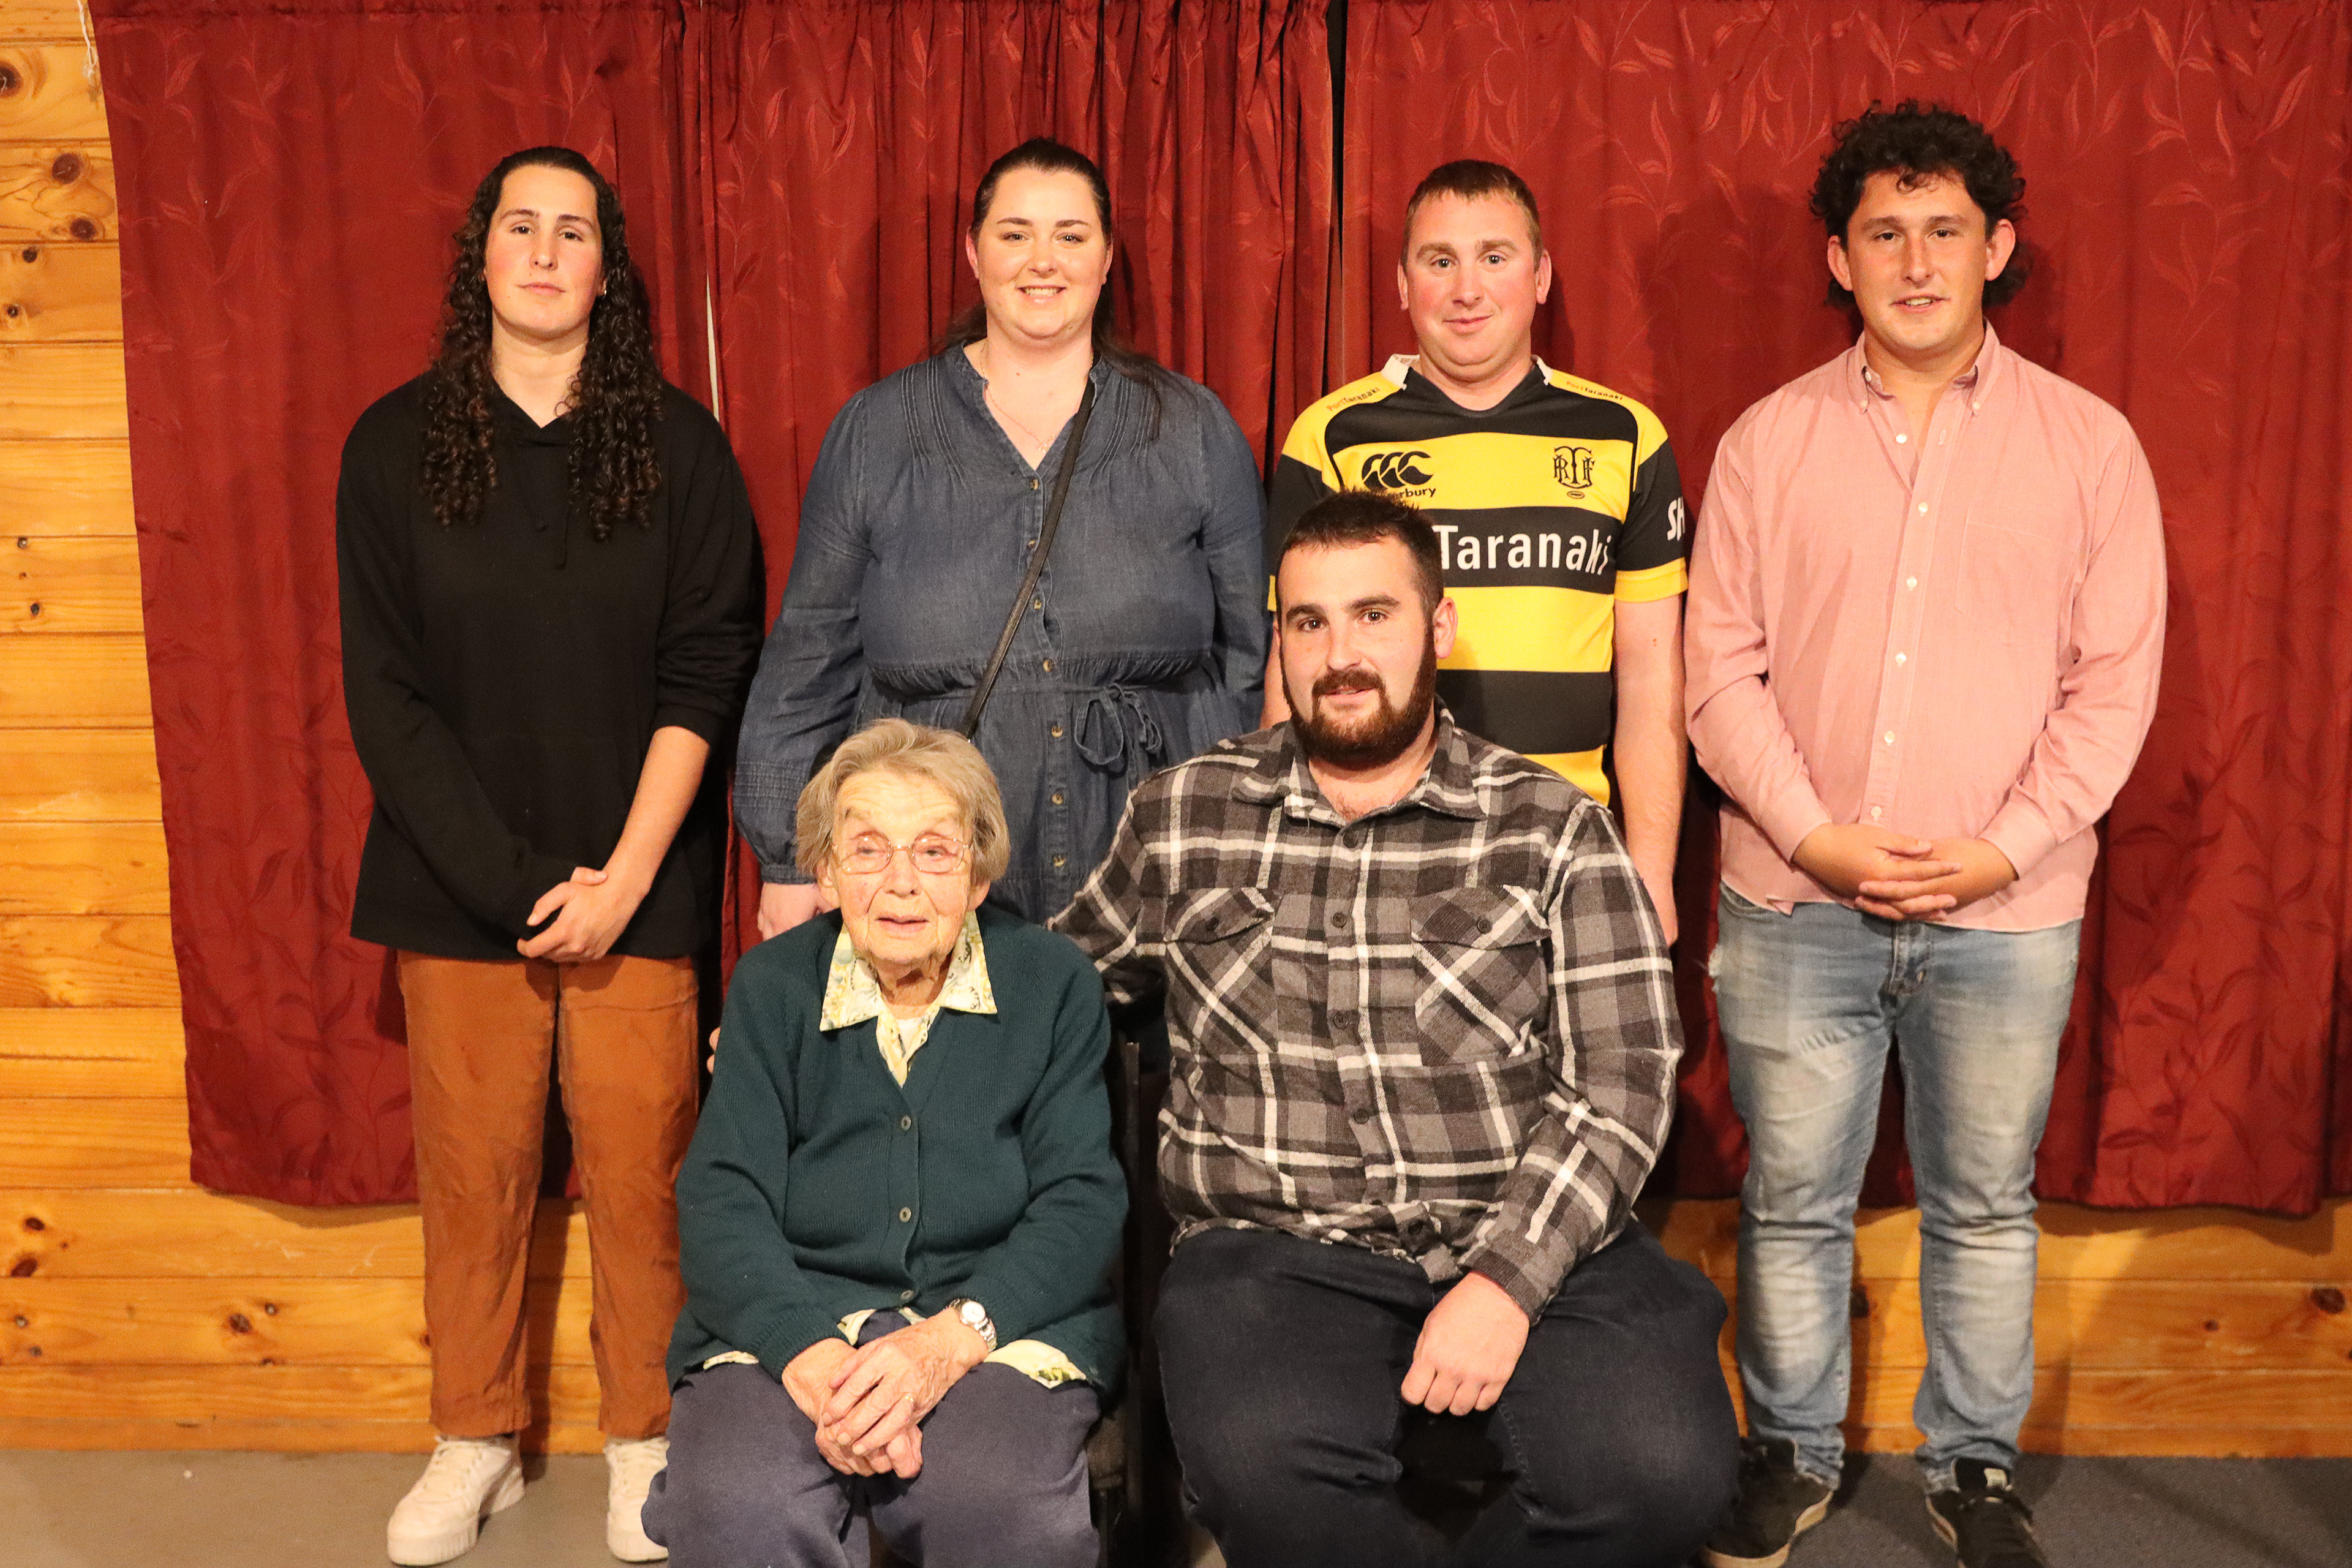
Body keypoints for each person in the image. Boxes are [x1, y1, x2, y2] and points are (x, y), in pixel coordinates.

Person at [1054, 492, 1736, 1568]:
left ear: (1439, 627)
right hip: (1273, 1251)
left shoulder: (1553, 827)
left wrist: (1507, 1279)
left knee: (1664, 1475)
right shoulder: (1184, 814)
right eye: (1309, 622)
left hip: (1525, 1230)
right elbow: (1052, 988)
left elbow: (1625, 1080)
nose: (1341, 656)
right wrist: (858, 982)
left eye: (1374, 615)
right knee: (1263, 1478)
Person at [1685, 103, 2165, 1568]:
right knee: (1790, 1201)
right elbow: (1717, 672)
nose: (1914, 261)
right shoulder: (1766, 442)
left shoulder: (2090, 447)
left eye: (1943, 230)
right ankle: (1790, 1448)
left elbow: (2113, 684)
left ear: (1996, 247)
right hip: (1795, 903)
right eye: (1882, 233)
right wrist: (1816, 836)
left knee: (1983, 1205)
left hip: (2007, 914)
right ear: (1838, 259)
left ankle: (1972, 1466)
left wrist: (2004, 846)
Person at [337, 146, 762, 1565]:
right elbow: (385, 695)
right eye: (519, 225)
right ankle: (476, 1436)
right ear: (481, 255)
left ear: (605, 269)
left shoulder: (681, 448)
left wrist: (626, 877)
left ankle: (646, 1434)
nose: (542, 249)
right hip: (456, 890)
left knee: (648, 1179)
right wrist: (512, 884)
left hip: (638, 883)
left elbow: (706, 671)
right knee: (473, 1178)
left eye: (571, 230)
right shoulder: (391, 446)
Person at [735, 137, 1267, 935]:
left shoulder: (1191, 428)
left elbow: (1250, 654)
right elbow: (809, 653)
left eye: (1071, 236)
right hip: (930, 864)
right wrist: (786, 858)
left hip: (1154, 865)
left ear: (1107, 258)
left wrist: (1228, 831)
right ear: (974, 253)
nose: (1042, 261)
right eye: (1015, 234)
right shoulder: (878, 432)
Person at [642, 718, 1124, 1567]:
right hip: (795, 1315)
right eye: (867, 850)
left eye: (935, 851)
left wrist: (942, 1344)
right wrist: (811, 1353)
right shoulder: (771, 987)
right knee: (737, 1504)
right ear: (826, 873)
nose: (901, 882)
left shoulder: (1052, 984)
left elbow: (1080, 1204)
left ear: (978, 874)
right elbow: (722, 1201)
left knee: (999, 1505)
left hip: (988, 1322)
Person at [1262, 159, 1691, 941]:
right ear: (1402, 284)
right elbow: (1292, 664)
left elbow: (1652, 679)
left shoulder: (1626, 436)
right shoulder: (1331, 437)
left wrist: (1652, 875)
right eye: (1440, 261)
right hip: (1377, 852)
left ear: (1541, 277)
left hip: (1564, 852)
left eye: (1495, 257)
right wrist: (1284, 856)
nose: (1467, 289)